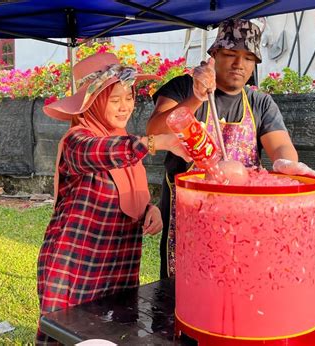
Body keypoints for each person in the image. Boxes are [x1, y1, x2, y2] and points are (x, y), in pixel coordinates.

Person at [146, 19, 315, 279]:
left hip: (243, 222)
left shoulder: (260, 103)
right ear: (214, 55)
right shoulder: (184, 88)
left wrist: (287, 164)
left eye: (247, 58)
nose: (238, 64)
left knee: (239, 284)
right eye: (230, 54)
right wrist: (196, 97)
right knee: (186, 294)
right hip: (190, 218)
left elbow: (281, 146)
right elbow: (155, 130)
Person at [37, 52, 190, 344]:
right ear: (93, 102)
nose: (125, 107)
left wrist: (150, 209)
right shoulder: (77, 140)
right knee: (67, 337)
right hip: (77, 267)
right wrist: (159, 141)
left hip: (118, 268)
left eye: (129, 97)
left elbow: (128, 191)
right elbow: (102, 153)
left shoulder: (126, 141)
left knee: (112, 336)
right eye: (114, 99)